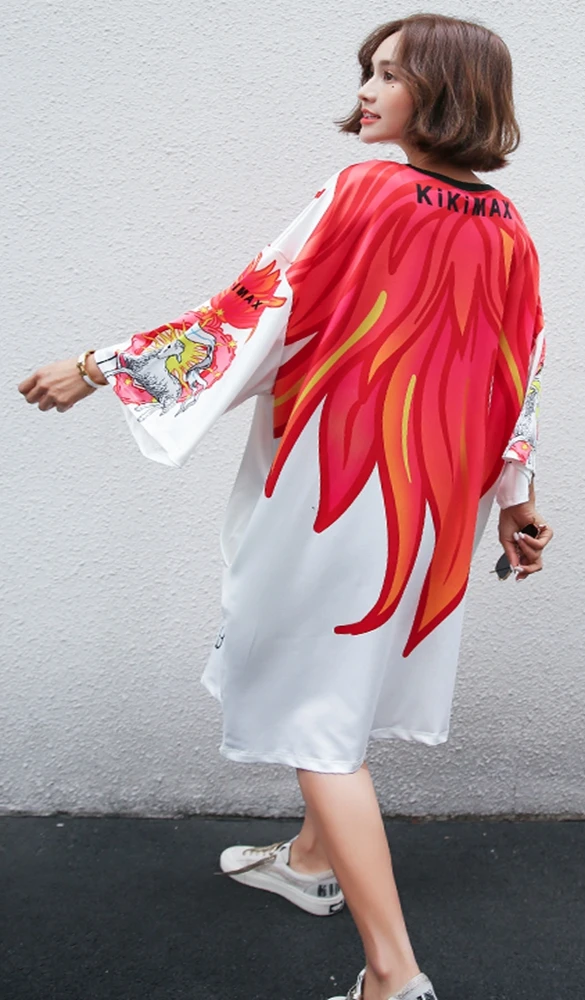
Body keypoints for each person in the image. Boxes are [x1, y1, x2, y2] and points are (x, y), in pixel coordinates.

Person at [18, 12, 554, 1000]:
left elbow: (249, 313)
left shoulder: (366, 191)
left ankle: (393, 973)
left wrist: (98, 365)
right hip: (424, 513)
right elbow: (518, 372)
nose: (365, 89)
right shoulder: (509, 228)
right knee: (336, 685)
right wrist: (519, 499)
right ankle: (312, 863)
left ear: (442, 93)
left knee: (312, 716)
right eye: (367, 70)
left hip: (334, 499)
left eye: (388, 74)